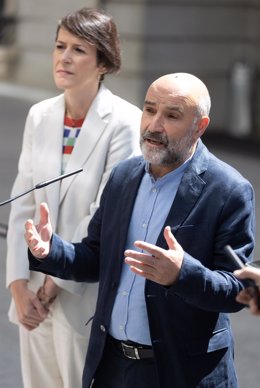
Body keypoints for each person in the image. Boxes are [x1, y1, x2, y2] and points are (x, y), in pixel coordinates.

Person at [25, 72, 255, 388]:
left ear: (199, 127)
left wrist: (181, 274)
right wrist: (52, 251)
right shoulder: (123, 176)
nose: (154, 125)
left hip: (181, 373)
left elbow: (236, 290)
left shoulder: (228, 190)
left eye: (172, 115)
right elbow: (95, 257)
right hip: (113, 367)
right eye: (149, 110)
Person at [6, 7, 141, 388]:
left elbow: (103, 213)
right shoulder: (39, 115)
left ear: (103, 62)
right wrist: (18, 284)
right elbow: (23, 202)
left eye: (79, 49)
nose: (64, 57)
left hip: (81, 293)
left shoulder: (125, 123)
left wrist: (52, 285)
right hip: (31, 293)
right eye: (60, 46)